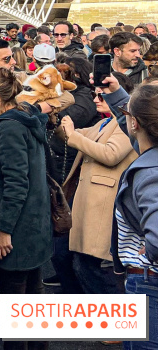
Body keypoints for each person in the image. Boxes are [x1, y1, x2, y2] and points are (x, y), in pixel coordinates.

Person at [0, 67, 51, 350]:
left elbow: (15, 183)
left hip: (18, 229)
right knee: (33, 301)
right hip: (34, 224)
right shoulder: (26, 119)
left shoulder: (8, 127)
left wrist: (4, 229)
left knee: (17, 310)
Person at [59, 85, 137, 295]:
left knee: (99, 274)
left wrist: (73, 135)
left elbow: (111, 154)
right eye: (94, 95)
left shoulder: (126, 125)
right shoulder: (104, 123)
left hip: (102, 208)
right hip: (89, 207)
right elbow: (67, 135)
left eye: (101, 95)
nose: (95, 100)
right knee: (81, 266)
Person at [114, 84, 158, 349]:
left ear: (136, 123)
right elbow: (139, 129)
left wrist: (151, 248)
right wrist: (118, 98)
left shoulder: (150, 173)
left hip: (149, 283)